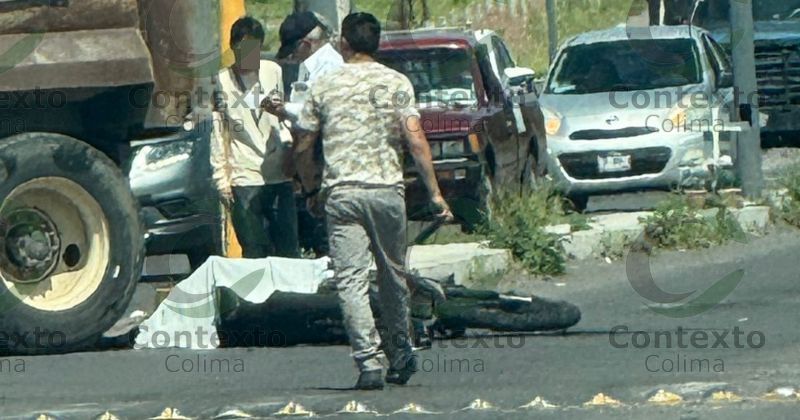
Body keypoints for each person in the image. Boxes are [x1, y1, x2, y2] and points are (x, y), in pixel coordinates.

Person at [267, 12, 453, 390]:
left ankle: (368, 362)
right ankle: (401, 354)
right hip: (386, 191)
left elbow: (303, 144)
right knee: (393, 276)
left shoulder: (326, 85)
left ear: (344, 44)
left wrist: (311, 187)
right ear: (378, 43)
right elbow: (415, 140)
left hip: (342, 194)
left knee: (350, 281)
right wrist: (435, 194)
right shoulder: (396, 82)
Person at [211, 16, 300, 259]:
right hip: (244, 176)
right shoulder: (221, 81)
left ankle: (290, 297)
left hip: (277, 173)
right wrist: (222, 179)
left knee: (287, 248)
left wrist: (292, 160)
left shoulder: (273, 72)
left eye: (253, 50)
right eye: (242, 50)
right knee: (254, 249)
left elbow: (283, 121)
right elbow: (219, 132)